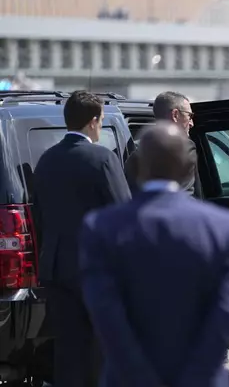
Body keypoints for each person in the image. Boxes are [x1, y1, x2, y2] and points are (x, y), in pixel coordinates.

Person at [79, 122, 229, 387]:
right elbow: (226, 312)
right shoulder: (225, 227)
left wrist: (139, 376)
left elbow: (105, 314)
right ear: (187, 168)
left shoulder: (101, 227)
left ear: (137, 167)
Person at [32, 90, 132, 387]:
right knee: (100, 350)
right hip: (96, 270)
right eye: (100, 121)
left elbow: (39, 216)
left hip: (56, 269)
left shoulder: (46, 159)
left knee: (68, 351)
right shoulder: (102, 158)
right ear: (92, 122)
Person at [124, 91, 202, 198]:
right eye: (189, 116)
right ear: (175, 115)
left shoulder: (135, 155)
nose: (192, 123)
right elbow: (186, 195)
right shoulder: (183, 147)